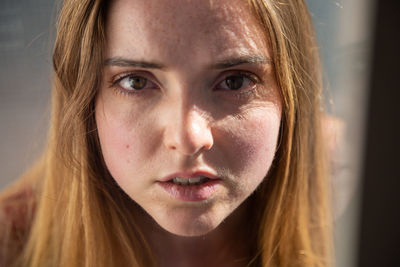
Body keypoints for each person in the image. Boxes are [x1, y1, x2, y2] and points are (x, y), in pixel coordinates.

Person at [0, 0, 332, 266]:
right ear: (83, 98)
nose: (188, 139)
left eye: (235, 81)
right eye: (137, 81)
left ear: (291, 95)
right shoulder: (9, 247)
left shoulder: (360, 196)